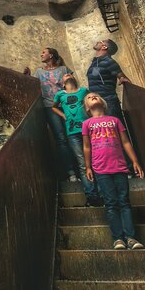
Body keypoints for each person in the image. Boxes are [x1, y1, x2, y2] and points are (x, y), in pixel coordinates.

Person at [81, 92, 145, 250]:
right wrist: (88, 166)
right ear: (87, 108)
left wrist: (135, 162)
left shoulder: (114, 120)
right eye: (89, 97)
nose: (93, 96)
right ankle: (118, 239)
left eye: (95, 95)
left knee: (124, 201)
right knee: (111, 203)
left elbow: (125, 142)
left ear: (103, 102)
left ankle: (131, 238)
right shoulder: (87, 124)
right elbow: (87, 147)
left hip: (119, 166)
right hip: (100, 168)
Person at [52, 75, 100, 205]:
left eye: (70, 74)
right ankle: (92, 196)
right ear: (62, 83)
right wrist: (63, 115)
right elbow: (53, 107)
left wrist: (93, 116)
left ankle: (102, 193)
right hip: (72, 133)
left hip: (89, 129)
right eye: (65, 75)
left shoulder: (84, 91)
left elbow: (93, 102)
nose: (68, 75)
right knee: (82, 163)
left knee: (96, 160)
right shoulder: (60, 94)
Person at [31, 47, 75, 181]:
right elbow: (31, 86)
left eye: (44, 52)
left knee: (73, 135)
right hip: (49, 107)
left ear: (51, 55)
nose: (41, 54)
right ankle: (70, 172)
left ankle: (82, 168)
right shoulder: (38, 72)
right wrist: (26, 75)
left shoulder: (63, 69)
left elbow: (72, 85)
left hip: (66, 105)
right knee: (60, 138)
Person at [86, 38, 131, 126]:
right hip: (98, 104)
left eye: (101, 41)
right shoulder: (95, 62)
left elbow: (124, 78)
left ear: (104, 47)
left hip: (109, 103)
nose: (98, 41)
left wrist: (122, 79)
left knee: (116, 129)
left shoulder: (109, 61)